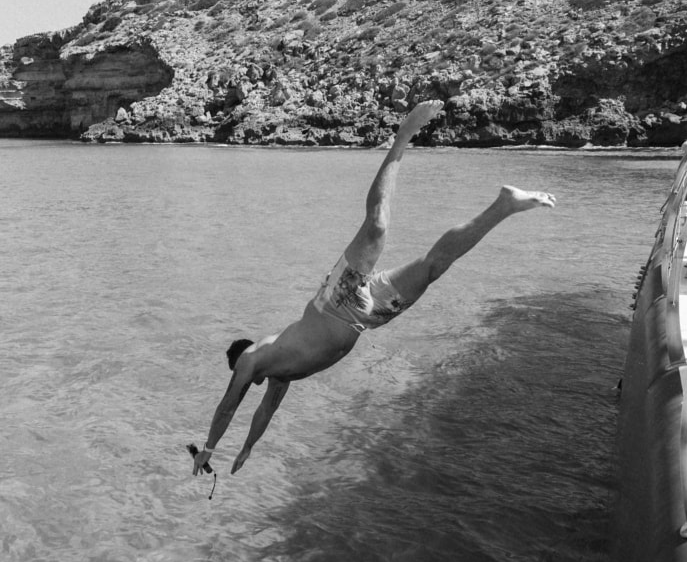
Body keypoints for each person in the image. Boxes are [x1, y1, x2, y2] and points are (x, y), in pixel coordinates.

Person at [192, 100, 556, 477]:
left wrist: (209, 448)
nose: (245, 381)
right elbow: (265, 411)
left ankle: (403, 136)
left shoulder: (253, 357)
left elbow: (228, 406)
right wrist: (249, 447)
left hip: (337, 302)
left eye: (240, 376)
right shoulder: (278, 374)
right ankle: (505, 205)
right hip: (364, 316)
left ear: (240, 360)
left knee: (378, 226)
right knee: (432, 268)